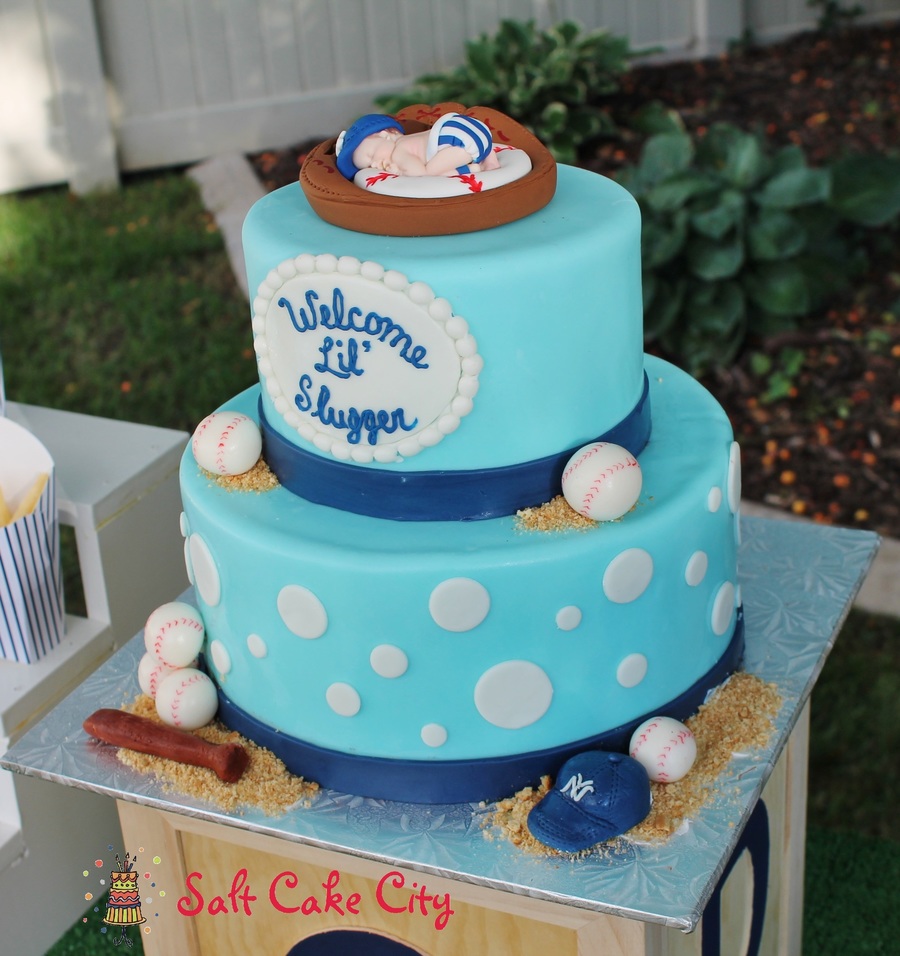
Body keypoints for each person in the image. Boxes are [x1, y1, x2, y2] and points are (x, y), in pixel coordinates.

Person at [335, 112, 501, 180]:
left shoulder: (399, 152)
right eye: (368, 166)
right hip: (475, 131)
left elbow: (419, 173)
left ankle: (474, 169)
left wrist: (399, 171)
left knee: (431, 173)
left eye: (371, 155)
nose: (373, 164)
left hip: (458, 140)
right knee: (439, 160)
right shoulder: (410, 140)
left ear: (387, 134)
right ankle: (488, 155)